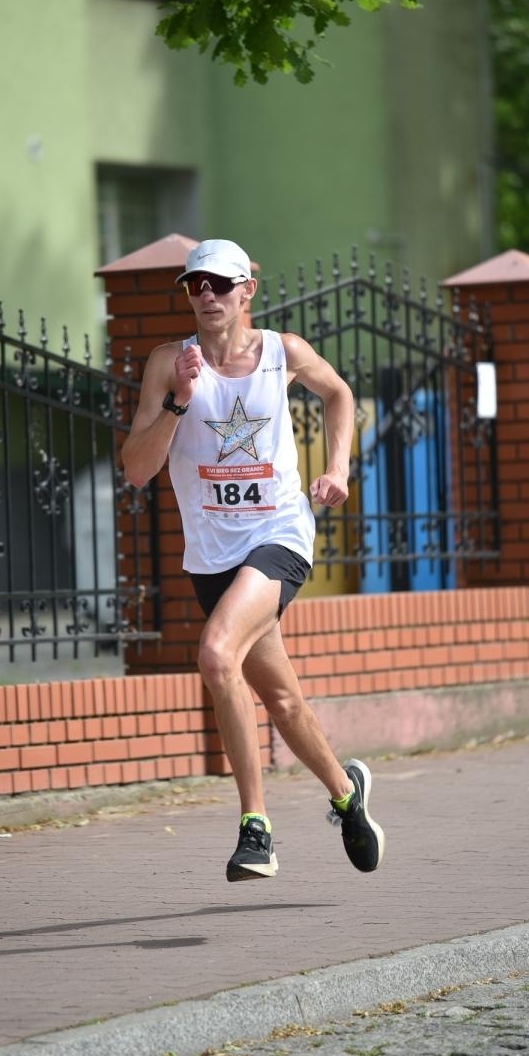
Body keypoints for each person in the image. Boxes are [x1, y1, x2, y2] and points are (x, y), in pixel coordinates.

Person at [122, 238, 384, 882]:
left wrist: (338, 468)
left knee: (215, 654)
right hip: (211, 555)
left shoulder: (282, 352)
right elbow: (135, 470)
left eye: (219, 284)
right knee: (284, 701)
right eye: (194, 285)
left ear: (247, 292)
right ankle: (348, 796)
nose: (206, 295)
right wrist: (179, 402)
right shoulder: (167, 364)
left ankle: (256, 828)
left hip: (279, 536)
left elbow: (340, 395)